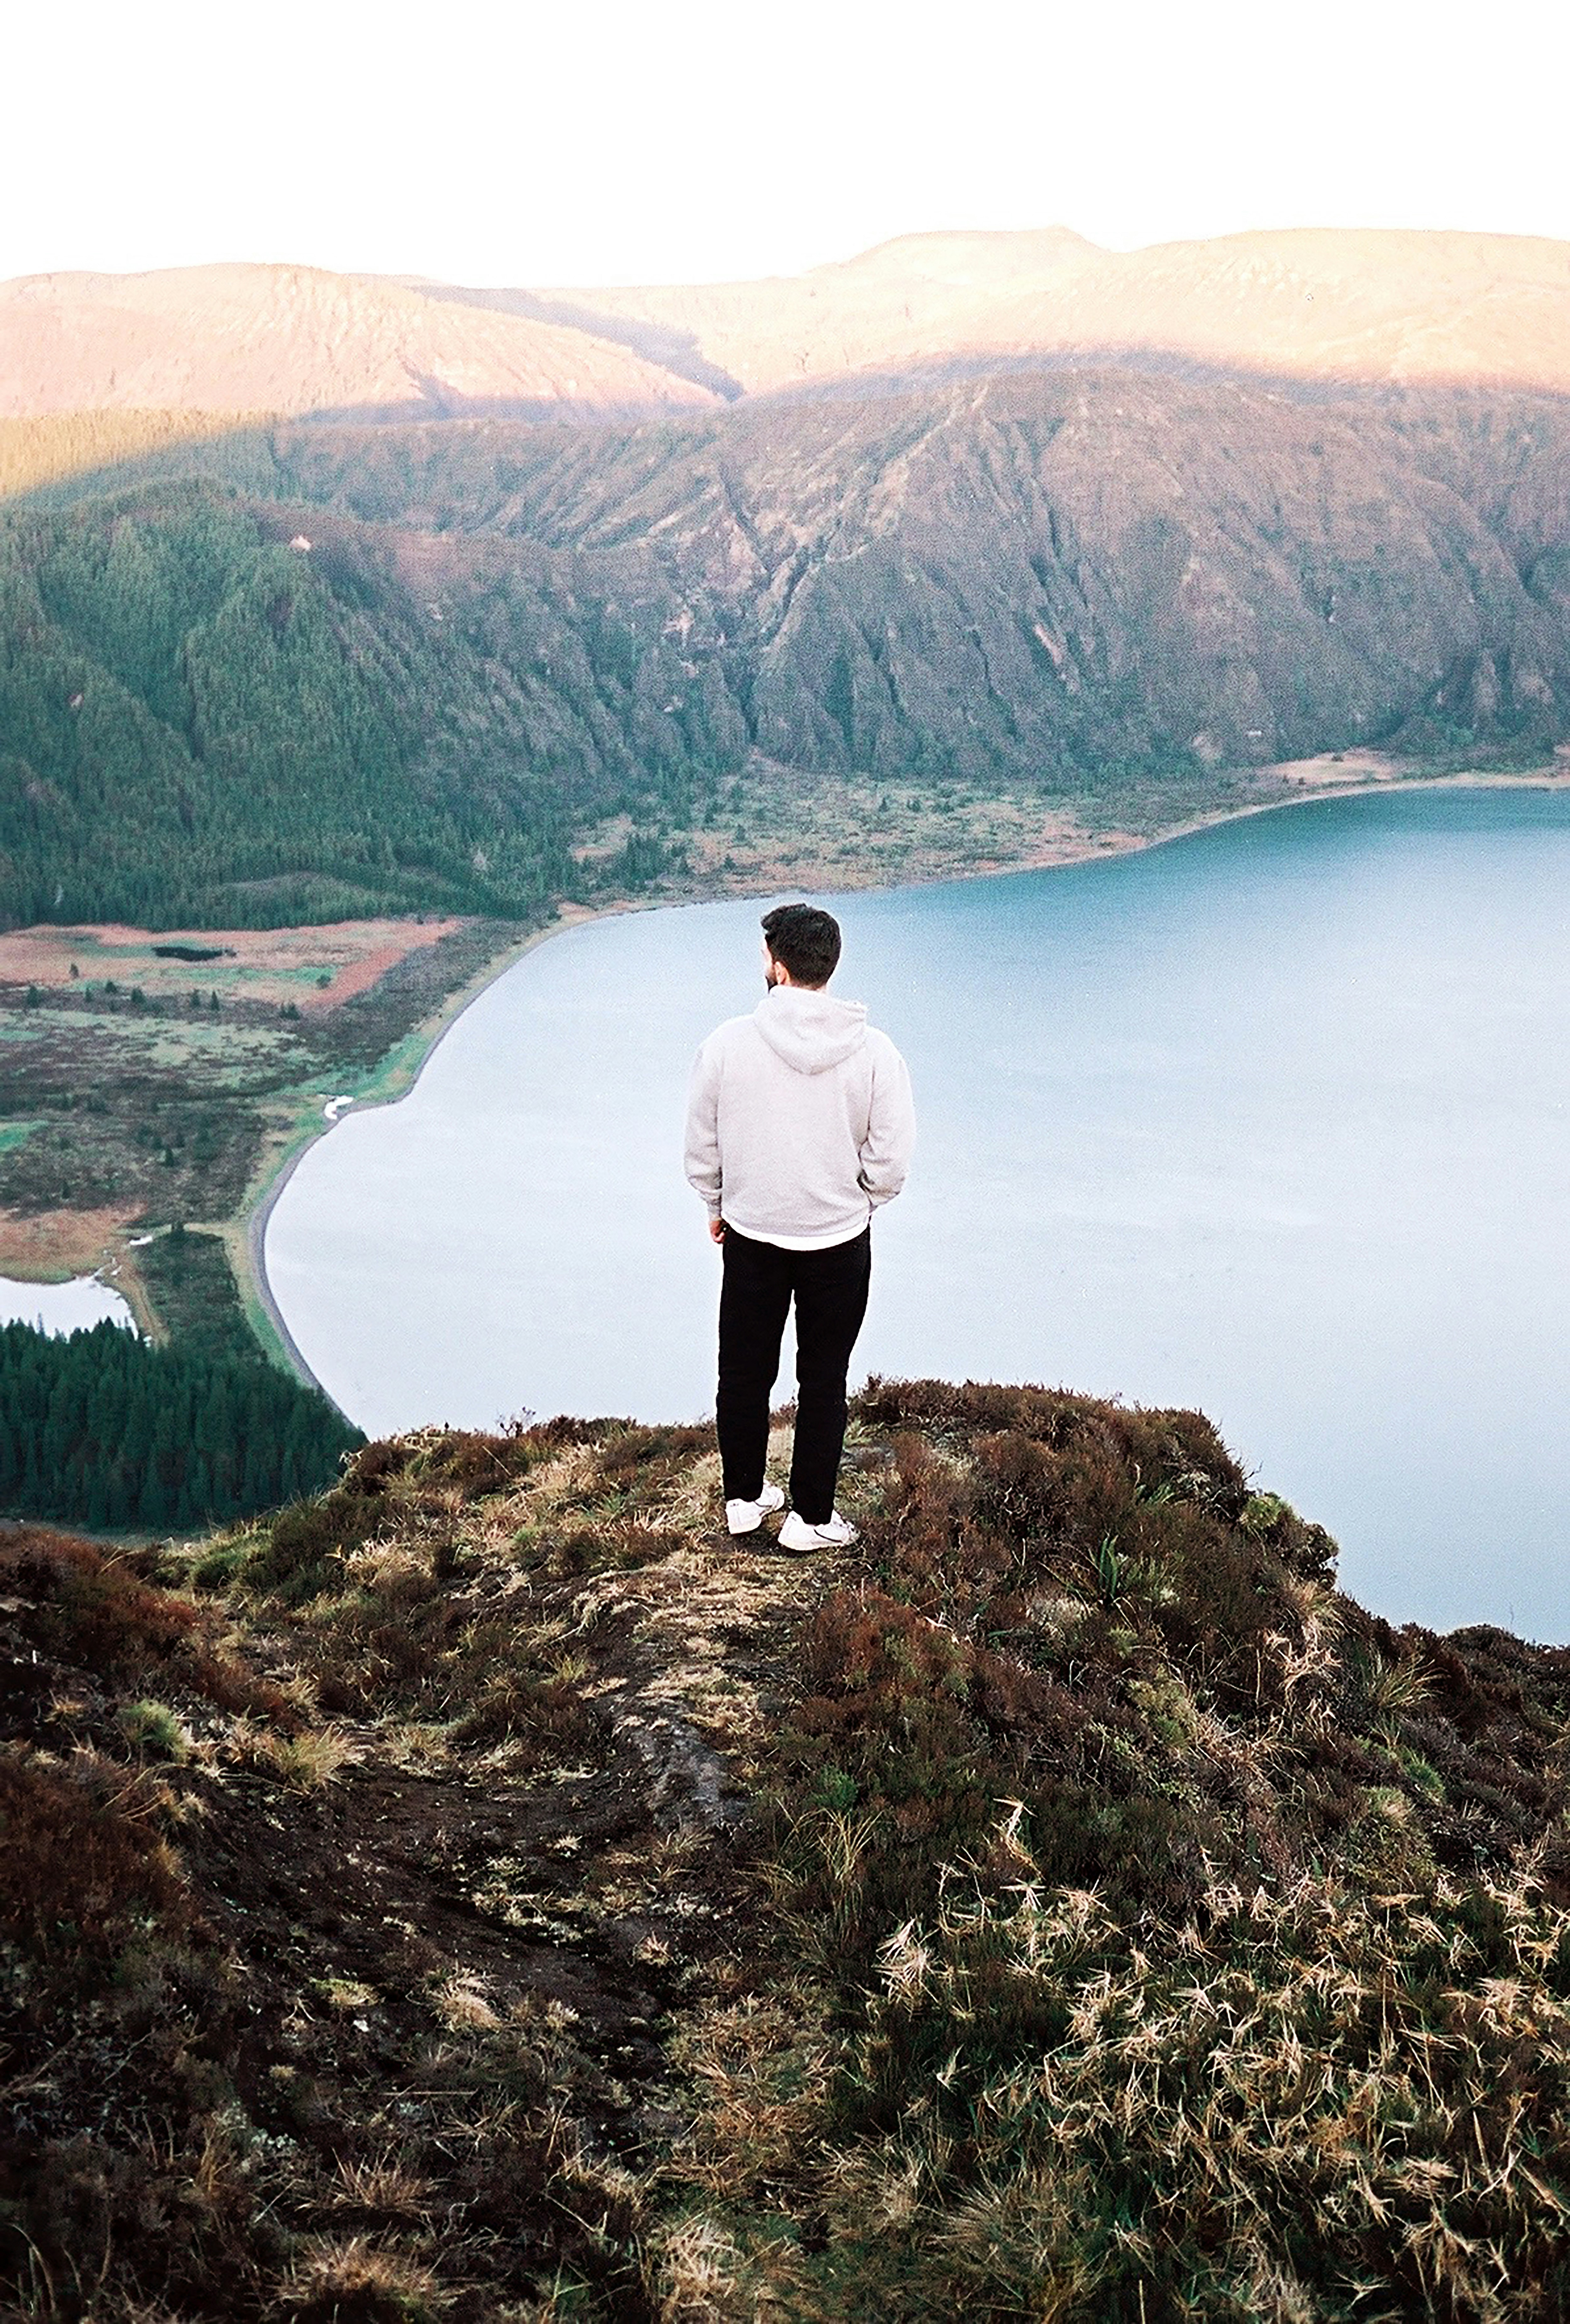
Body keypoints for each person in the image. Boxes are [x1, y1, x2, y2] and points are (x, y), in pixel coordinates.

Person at [684, 902, 915, 1549]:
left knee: (744, 1369)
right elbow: (892, 1159)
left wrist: (716, 1204)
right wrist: (858, 1199)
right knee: (823, 1377)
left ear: (779, 970)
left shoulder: (726, 1045)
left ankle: (743, 1497)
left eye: (764, 957)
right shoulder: (874, 1052)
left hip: (752, 1235)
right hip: (838, 1241)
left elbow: (702, 1145)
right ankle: (810, 1519)